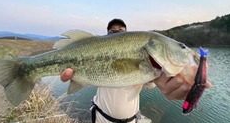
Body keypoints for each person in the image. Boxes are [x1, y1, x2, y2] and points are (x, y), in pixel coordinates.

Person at [60, 19, 211, 123]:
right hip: (101, 118)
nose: (117, 32)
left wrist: (183, 87)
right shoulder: (98, 52)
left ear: (127, 34)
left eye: (121, 30)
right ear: (106, 35)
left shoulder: (150, 68)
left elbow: (152, 83)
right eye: (112, 31)